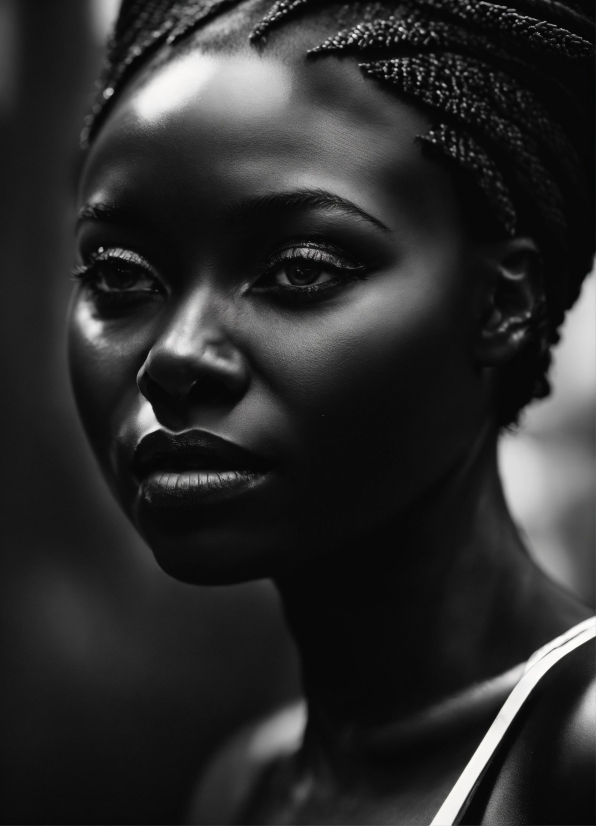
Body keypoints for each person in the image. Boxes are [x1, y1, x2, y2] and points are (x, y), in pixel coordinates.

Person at [68, 0, 595, 822]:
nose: (174, 357)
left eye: (302, 269)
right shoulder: (243, 786)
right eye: (119, 275)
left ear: (501, 304)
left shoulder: (575, 754)